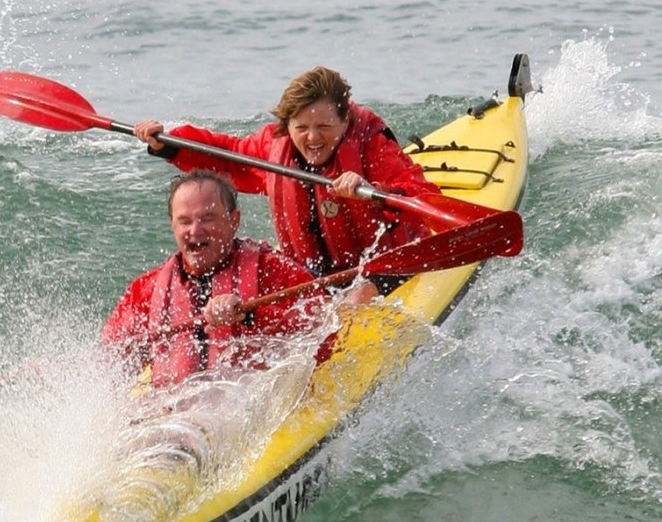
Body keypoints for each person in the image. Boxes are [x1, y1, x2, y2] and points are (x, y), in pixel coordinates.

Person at [133, 66, 445, 301]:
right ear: (287, 125)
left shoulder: (372, 146)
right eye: (302, 127)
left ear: (345, 120)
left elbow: (423, 197)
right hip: (311, 273)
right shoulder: (275, 146)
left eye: (324, 126)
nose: (312, 138)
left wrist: (375, 193)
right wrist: (169, 144)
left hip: (384, 266)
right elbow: (226, 157)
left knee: (360, 294)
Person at [102, 171, 325, 388]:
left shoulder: (274, 271)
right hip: (175, 409)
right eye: (184, 221)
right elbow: (110, 362)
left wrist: (250, 315)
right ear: (172, 224)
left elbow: (323, 327)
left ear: (234, 220)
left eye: (208, 218)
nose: (195, 230)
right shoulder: (145, 290)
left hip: (253, 401)